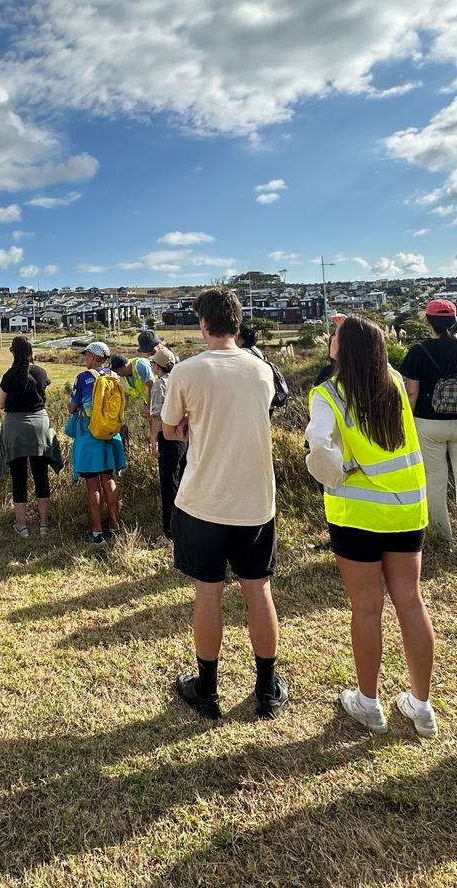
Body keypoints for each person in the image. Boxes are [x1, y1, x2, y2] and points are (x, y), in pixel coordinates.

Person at [307, 315, 438, 738]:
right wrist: (356, 328)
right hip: (407, 509)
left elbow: (319, 447)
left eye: (334, 336)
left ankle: (368, 703)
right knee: (411, 602)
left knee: (366, 607)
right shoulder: (393, 382)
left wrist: (334, 473)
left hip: (357, 515)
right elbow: (372, 349)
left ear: (341, 350)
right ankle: (421, 706)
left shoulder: (328, 394)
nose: (330, 338)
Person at [161, 287, 287, 721]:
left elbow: (170, 429)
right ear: (237, 322)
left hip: (203, 500)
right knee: (259, 590)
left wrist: (191, 425)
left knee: (207, 593)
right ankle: (266, 688)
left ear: (203, 324)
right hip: (256, 499)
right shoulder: (262, 370)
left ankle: (208, 690)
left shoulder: (187, 371)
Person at [399, 300, 457, 557]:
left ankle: (441, 536)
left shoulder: (418, 351)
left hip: (428, 424)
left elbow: (411, 392)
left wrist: (409, 421)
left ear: (428, 321)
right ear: (454, 321)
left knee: (434, 480)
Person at [0, 336, 61, 538]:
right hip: (40, 427)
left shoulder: (10, 375)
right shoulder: (40, 372)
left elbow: (1, 403)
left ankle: (22, 526)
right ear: (31, 352)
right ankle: (43, 525)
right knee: (41, 475)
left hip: (15, 429)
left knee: (19, 477)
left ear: (14, 352)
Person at [66, 341, 126, 544]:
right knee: (108, 480)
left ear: (92, 356)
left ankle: (97, 532)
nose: (85, 358)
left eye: (86, 355)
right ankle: (115, 525)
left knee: (93, 484)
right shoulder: (114, 376)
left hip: (90, 434)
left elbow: (72, 407)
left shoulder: (83, 377)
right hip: (110, 434)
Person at [147, 344, 184, 546]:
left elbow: (157, 416)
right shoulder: (181, 380)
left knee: (169, 485)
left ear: (157, 366)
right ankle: (185, 528)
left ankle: (169, 534)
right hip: (185, 437)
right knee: (183, 483)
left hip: (168, 437)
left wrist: (153, 439)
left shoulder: (159, 385)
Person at [111, 351, 154, 445]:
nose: (117, 374)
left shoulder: (140, 366)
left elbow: (152, 386)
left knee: (156, 421)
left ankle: (155, 442)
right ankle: (152, 442)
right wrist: (121, 414)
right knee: (149, 420)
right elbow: (126, 396)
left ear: (123, 367)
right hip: (146, 399)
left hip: (159, 396)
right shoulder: (122, 377)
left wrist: (148, 407)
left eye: (117, 371)